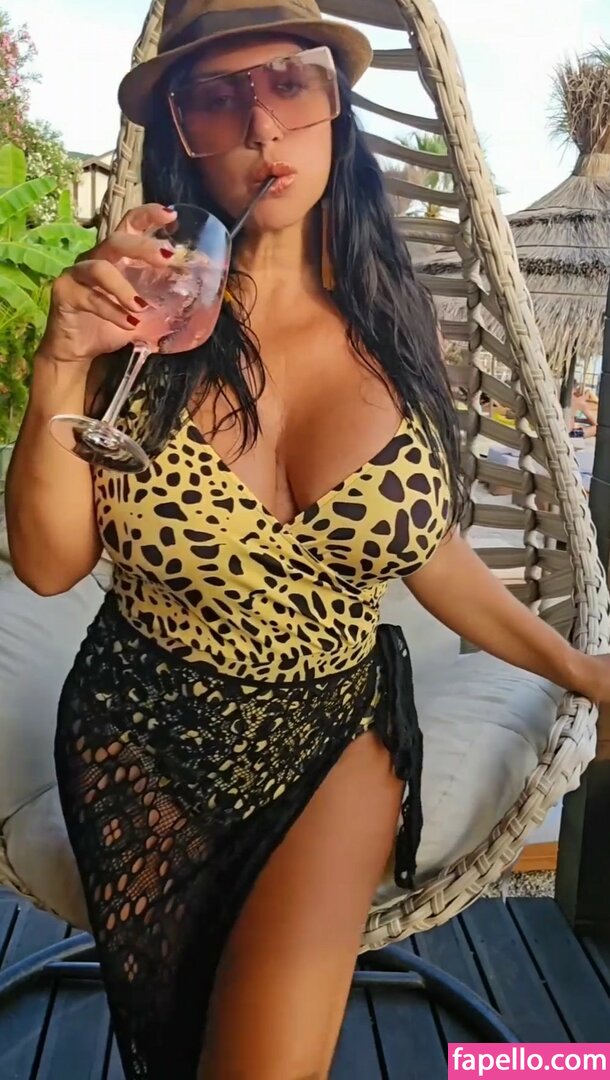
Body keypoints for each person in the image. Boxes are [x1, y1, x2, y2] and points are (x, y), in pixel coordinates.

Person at [6, 2, 610, 1076]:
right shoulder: (141, 317)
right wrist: (61, 363)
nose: (261, 126)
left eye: (289, 82)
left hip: (336, 723)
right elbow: (52, 566)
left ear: (335, 107)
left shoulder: (395, 320)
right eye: (216, 99)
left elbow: (427, 549)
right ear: (182, 136)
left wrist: (577, 668)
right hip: (141, 728)